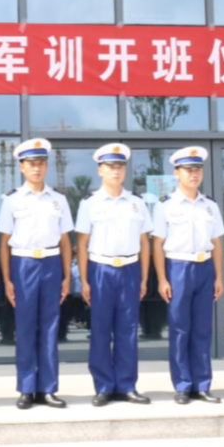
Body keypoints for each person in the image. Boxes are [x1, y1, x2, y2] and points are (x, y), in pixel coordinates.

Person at [0, 138, 73, 409]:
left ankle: (48, 388)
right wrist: (7, 279)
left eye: (40, 163)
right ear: (21, 167)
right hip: (23, 263)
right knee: (26, 327)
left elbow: (65, 241)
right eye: (31, 164)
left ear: (47, 166)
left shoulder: (58, 200)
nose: (36, 168)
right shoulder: (12, 200)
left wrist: (67, 276)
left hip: (51, 262)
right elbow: (4, 243)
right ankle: (27, 388)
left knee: (50, 327)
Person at [75, 143, 153, 407]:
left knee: (127, 330)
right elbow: (82, 244)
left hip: (130, 268)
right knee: (100, 330)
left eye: (120, 166)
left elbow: (144, 243)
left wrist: (144, 278)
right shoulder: (90, 203)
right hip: (101, 269)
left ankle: (127, 385)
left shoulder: (137, 203)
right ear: (100, 170)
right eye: (110, 166)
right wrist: (84, 280)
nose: (116, 171)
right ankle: (104, 386)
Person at [152, 147, 224, 405]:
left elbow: (217, 242)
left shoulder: (210, 206)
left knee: (203, 330)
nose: (194, 174)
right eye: (188, 170)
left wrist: (219, 277)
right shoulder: (165, 206)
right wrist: (162, 278)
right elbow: (157, 244)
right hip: (178, 267)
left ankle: (202, 385)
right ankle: (183, 385)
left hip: (204, 267)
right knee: (180, 328)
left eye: (197, 169)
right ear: (176, 173)